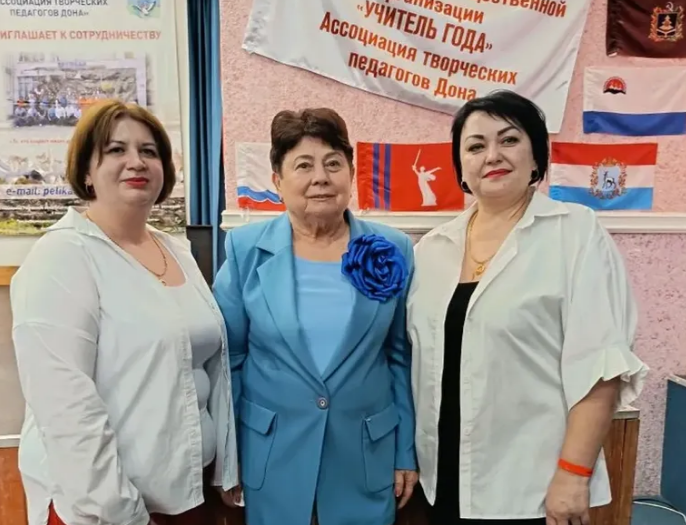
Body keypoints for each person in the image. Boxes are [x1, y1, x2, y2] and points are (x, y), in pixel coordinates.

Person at [407, 90, 649, 525]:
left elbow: (601, 367)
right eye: (476, 146)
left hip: (532, 486)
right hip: (439, 481)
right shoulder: (432, 249)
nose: (492, 155)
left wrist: (573, 474)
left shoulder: (575, 233)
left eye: (509, 140)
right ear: (461, 166)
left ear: (536, 155)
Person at [11, 99, 238, 525]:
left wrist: (225, 469)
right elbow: (68, 415)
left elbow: (208, 372)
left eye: (149, 151)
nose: (136, 161)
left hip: (190, 495)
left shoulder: (176, 250)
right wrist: (124, 514)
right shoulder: (62, 257)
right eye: (116, 149)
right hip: (109, 510)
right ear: (86, 171)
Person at [213, 108, 418, 525]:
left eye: (333, 164)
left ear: (351, 173)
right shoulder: (245, 250)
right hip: (271, 455)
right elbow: (228, 360)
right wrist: (228, 459)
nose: (320, 178)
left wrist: (404, 452)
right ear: (277, 180)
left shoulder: (392, 248)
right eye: (303, 165)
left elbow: (400, 357)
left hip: (366, 457)